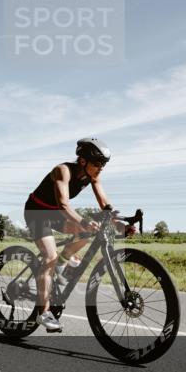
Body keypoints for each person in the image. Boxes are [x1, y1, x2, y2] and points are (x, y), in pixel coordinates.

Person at [24, 137, 133, 333]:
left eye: (104, 164)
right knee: (50, 256)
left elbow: (105, 206)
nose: (101, 168)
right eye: (98, 163)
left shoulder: (92, 176)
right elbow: (63, 204)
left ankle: (61, 264)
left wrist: (119, 224)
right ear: (83, 161)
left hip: (55, 213)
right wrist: (83, 220)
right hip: (37, 212)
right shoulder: (62, 171)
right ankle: (44, 312)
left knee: (89, 230)